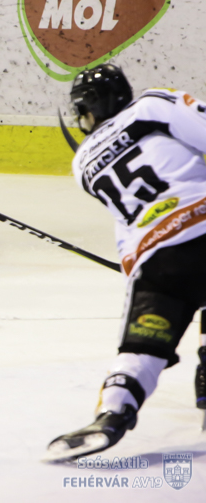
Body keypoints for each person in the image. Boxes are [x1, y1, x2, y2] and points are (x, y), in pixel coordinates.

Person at [46, 63, 206, 461]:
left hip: (154, 256)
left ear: (88, 110)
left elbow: (126, 230)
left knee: (142, 349)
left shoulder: (82, 163)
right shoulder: (154, 103)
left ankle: (113, 413)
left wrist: (143, 276)